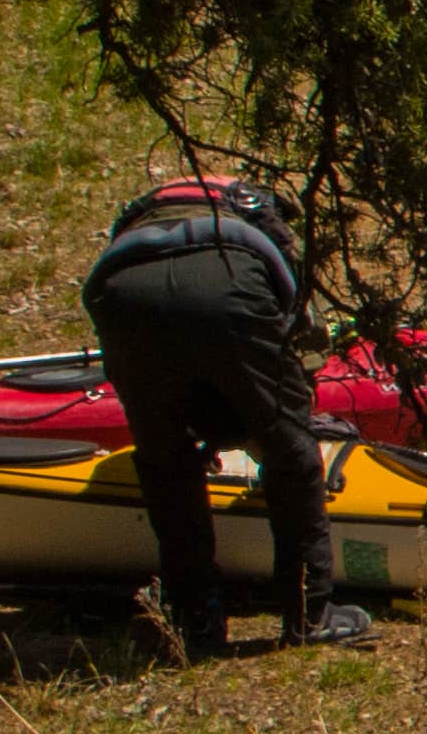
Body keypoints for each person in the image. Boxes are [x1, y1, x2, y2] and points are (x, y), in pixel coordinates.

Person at [82, 171, 370, 657]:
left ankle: (194, 623)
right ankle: (310, 613)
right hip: (228, 283)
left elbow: (172, 336)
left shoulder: (140, 210)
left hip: (122, 292)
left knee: (165, 462)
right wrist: (270, 424)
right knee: (291, 452)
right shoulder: (265, 214)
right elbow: (301, 355)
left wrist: (198, 423)